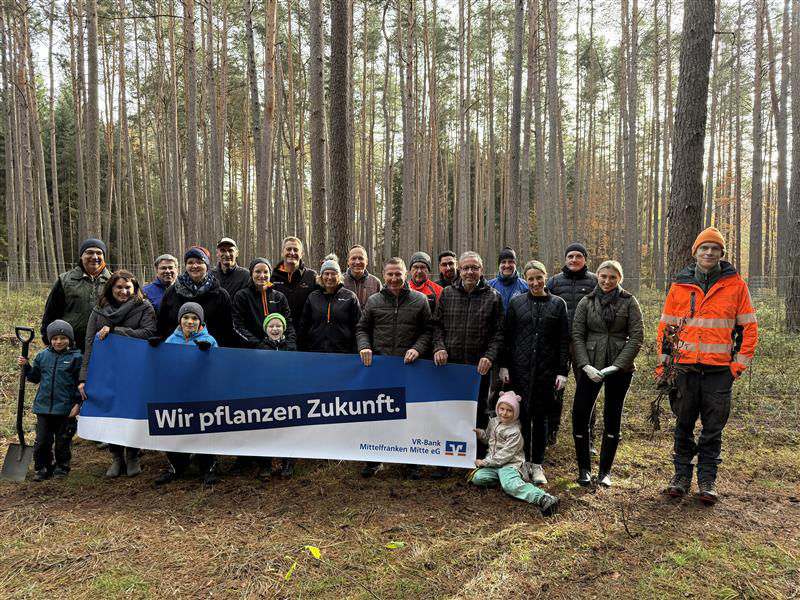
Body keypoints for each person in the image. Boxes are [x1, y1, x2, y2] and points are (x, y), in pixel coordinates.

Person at [657, 227, 758, 504]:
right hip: (684, 368)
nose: (709, 252)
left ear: (721, 254)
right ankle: (680, 476)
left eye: (715, 248)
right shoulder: (680, 285)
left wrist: (737, 366)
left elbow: (749, 328)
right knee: (683, 423)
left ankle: (707, 479)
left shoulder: (736, 286)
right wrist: (664, 367)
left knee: (713, 428)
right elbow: (667, 328)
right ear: (696, 252)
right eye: (705, 248)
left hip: (718, 371)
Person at [356, 257, 431, 479]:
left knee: (410, 415)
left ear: (405, 274)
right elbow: (362, 328)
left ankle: (411, 461)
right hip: (380, 368)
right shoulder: (374, 301)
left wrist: (417, 348)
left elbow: (428, 331)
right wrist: (365, 347)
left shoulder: (420, 300)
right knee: (378, 414)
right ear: (384, 275)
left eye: (398, 274)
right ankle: (374, 459)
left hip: (410, 368)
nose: (394, 278)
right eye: (390, 274)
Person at [571, 260, 643, 488]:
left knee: (613, 416)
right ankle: (584, 469)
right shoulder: (586, 301)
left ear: (619, 278)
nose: (607, 281)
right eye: (603, 276)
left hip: (619, 369)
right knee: (580, 414)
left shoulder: (629, 302)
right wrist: (584, 365)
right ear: (597, 276)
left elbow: (637, 336)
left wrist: (618, 365)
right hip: (590, 366)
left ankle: (604, 472)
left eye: (612, 277)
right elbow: (577, 335)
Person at [79, 270, 157, 478]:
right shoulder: (99, 310)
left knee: (130, 412)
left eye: (127, 288)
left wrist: (116, 331)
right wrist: (83, 377)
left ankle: (132, 455)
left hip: (134, 369)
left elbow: (149, 333)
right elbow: (89, 343)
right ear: (111, 288)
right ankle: (116, 456)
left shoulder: (144, 307)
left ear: (135, 289)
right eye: (118, 287)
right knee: (110, 411)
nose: (123, 291)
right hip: (106, 370)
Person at [499, 260, 569, 485]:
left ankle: (537, 463)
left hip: (546, 372)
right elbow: (507, 338)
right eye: (531, 278)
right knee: (521, 416)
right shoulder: (517, 303)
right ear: (525, 280)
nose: (535, 282)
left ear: (545, 277)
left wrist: (561, 371)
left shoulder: (558, 305)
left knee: (540, 418)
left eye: (539, 277)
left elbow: (562, 341)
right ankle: (521, 462)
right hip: (519, 371)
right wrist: (504, 365)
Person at [432, 252, 504, 433]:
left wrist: (490, 356)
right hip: (451, 366)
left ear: (481, 270)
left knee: (479, 411)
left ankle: (477, 455)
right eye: (465, 268)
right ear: (460, 271)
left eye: (474, 268)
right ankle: (447, 456)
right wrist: (439, 347)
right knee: (450, 410)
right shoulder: (448, 294)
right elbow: (436, 326)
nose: (470, 272)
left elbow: (499, 333)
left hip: (478, 369)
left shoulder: (494, 297)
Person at [154, 303, 219, 486]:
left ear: (200, 321)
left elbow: (219, 368)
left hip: (202, 394)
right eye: (186, 318)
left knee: (203, 430)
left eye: (194, 318)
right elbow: (162, 366)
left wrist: (210, 354)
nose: (190, 322)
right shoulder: (170, 340)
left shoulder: (210, 340)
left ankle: (208, 466)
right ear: (180, 320)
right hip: (177, 394)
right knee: (176, 428)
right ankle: (176, 464)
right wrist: (154, 351)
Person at [471, 391, 559, 516]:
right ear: (497, 408)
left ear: (515, 413)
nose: (504, 413)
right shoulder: (494, 422)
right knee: (478, 478)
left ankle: (543, 498)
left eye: (509, 410)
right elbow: (488, 439)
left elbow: (506, 454)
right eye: (501, 409)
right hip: (495, 464)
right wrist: (480, 433)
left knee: (510, 486)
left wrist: (485, 462)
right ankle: (506, 481)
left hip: (509, 464)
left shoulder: (515, 431)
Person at [545, 242, 598, 447]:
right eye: (570, 257)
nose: (574, 260)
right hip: (557, 343)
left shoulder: (595, 281)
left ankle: (588, 436)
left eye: (578, 256)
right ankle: (551, 433)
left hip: (584, 344)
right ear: (565, 260)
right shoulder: (554, 282)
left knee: (587, 390)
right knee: (554, 389)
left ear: (585, 258)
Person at [18, 320, 82, 482]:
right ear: (49, 339)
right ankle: (42, 467)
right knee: (42, 442)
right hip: (43, 408)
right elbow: (34, 377)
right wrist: (26, 367)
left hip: (65, 409)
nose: (58, 341)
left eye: (62, 338)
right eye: (54, 338)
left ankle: (61, 467)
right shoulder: (42, 356)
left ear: (70, 339)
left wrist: (77, 404)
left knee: (62, 442)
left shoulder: (76, 358)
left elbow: (79, 384)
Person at [41, 238, 112, 352]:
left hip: (104, 342)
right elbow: (51, 312)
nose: (94, 257)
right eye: (89, 252)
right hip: (71, 345)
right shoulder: (65, 280)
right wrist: (47, 338)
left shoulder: (114, 281)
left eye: (99, 253)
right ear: (81, 256)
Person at [156, 246, 233, 347]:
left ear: (206, 265)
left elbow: (228, 329)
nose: (195, 266)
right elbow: (162, 322)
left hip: (211, 351)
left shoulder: (220, 295)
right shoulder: (172, 292)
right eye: (190, 262)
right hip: (176, 350)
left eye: (199, 262)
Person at [298, 259, 362, 353]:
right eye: (326, 273)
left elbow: (358, 327)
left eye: (333, 273)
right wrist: (302, 350)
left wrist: (354, 350)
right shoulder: (313, 297)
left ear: (339, 276)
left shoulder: (350, 297)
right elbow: (303, 327)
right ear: (321, 276)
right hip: (315, 352)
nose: (329, 277)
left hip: (343, 353)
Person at [232, 258, 295, 349]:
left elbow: (288, 324)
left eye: (266, 272)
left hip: (277, 349)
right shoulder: (242, 296)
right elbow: (238, 326)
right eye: (257, 271)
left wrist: (290, 343)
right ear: (251, 273)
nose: (262, 275)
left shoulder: (279, 297)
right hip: (250, 350)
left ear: (270, 274)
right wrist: (258, 345)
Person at [270, 236, 318, 331]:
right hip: (278, 333)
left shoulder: (311, 276)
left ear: (301, 254)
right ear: (282, 252)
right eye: (288, 249)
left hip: (306, 334)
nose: (292, 253)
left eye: (296, 250)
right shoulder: (271, 277)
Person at [488, 247, 529, 313]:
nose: (507, 265)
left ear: (515, 264)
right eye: (503, 262)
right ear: (499, 265)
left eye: (510, 262)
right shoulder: (489, 286)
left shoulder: (525, 286)